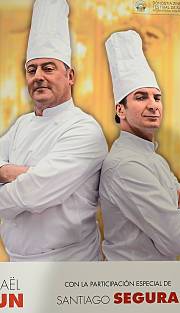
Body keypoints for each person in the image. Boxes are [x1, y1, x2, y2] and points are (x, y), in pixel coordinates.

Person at [0, 0, 107, 261]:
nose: (38, 76)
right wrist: (23, 174)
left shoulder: (85, 130)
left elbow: (34, 194)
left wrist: (9, 173)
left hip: (70, 263)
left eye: (49, 68)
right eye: (31, 69)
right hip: (16, 263)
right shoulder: (21, 125)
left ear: (70, 76)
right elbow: (35, 187)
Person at [100, 30, 180, 261]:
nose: (153, 105)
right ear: (120, 110)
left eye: (157, 97)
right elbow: (178, 240)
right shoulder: (125, 165)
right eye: (141, 97)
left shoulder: (154, 158)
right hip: (132, 284)